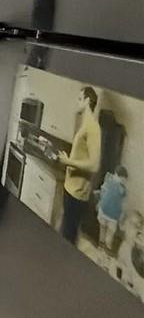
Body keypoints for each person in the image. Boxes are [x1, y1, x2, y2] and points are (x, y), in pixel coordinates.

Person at [58, 86, 102, 244]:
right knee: (65, 232)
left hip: (77, 194)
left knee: (68, 238)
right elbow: (82, 156)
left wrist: (68, 161)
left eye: (79, 99)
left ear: (87, 101)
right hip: (70, 189)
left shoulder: (93, 129)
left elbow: (94, 165)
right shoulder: (85, 125)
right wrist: (67, 158)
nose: (76, 102)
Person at [96, 166, 129, 251]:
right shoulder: (121, 188)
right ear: (121, 177)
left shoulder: (109, 180)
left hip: (105, 211)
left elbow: (102, 192)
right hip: (112, 215)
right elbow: (123, 201)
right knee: (109, 232)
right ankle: (106, 247)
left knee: (103, 229)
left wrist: (99, 203)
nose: (124, 182)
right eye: (124, 179)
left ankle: (102, 246)